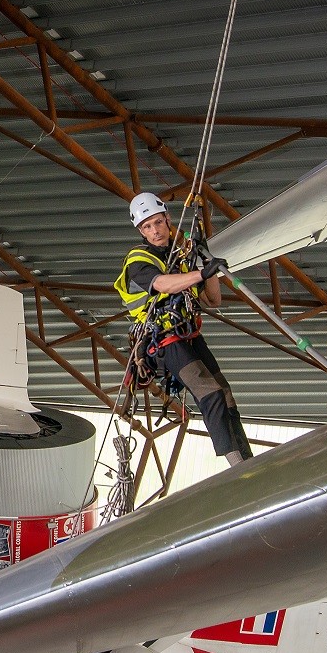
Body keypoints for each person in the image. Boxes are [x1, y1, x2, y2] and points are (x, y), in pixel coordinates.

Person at [114, 192, 253, 467]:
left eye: (157, 222)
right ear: (141, 231)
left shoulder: (180, 258)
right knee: (209, 392)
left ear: (168, 219)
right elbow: (163, 284)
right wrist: (199, 274)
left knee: (224, 392)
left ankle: (247, 457)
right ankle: (236, 463)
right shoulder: (137, 260)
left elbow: (213, 300)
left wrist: (207, 266)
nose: (154, 231)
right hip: (161, 340)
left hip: (187, 333)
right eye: (147, 227)